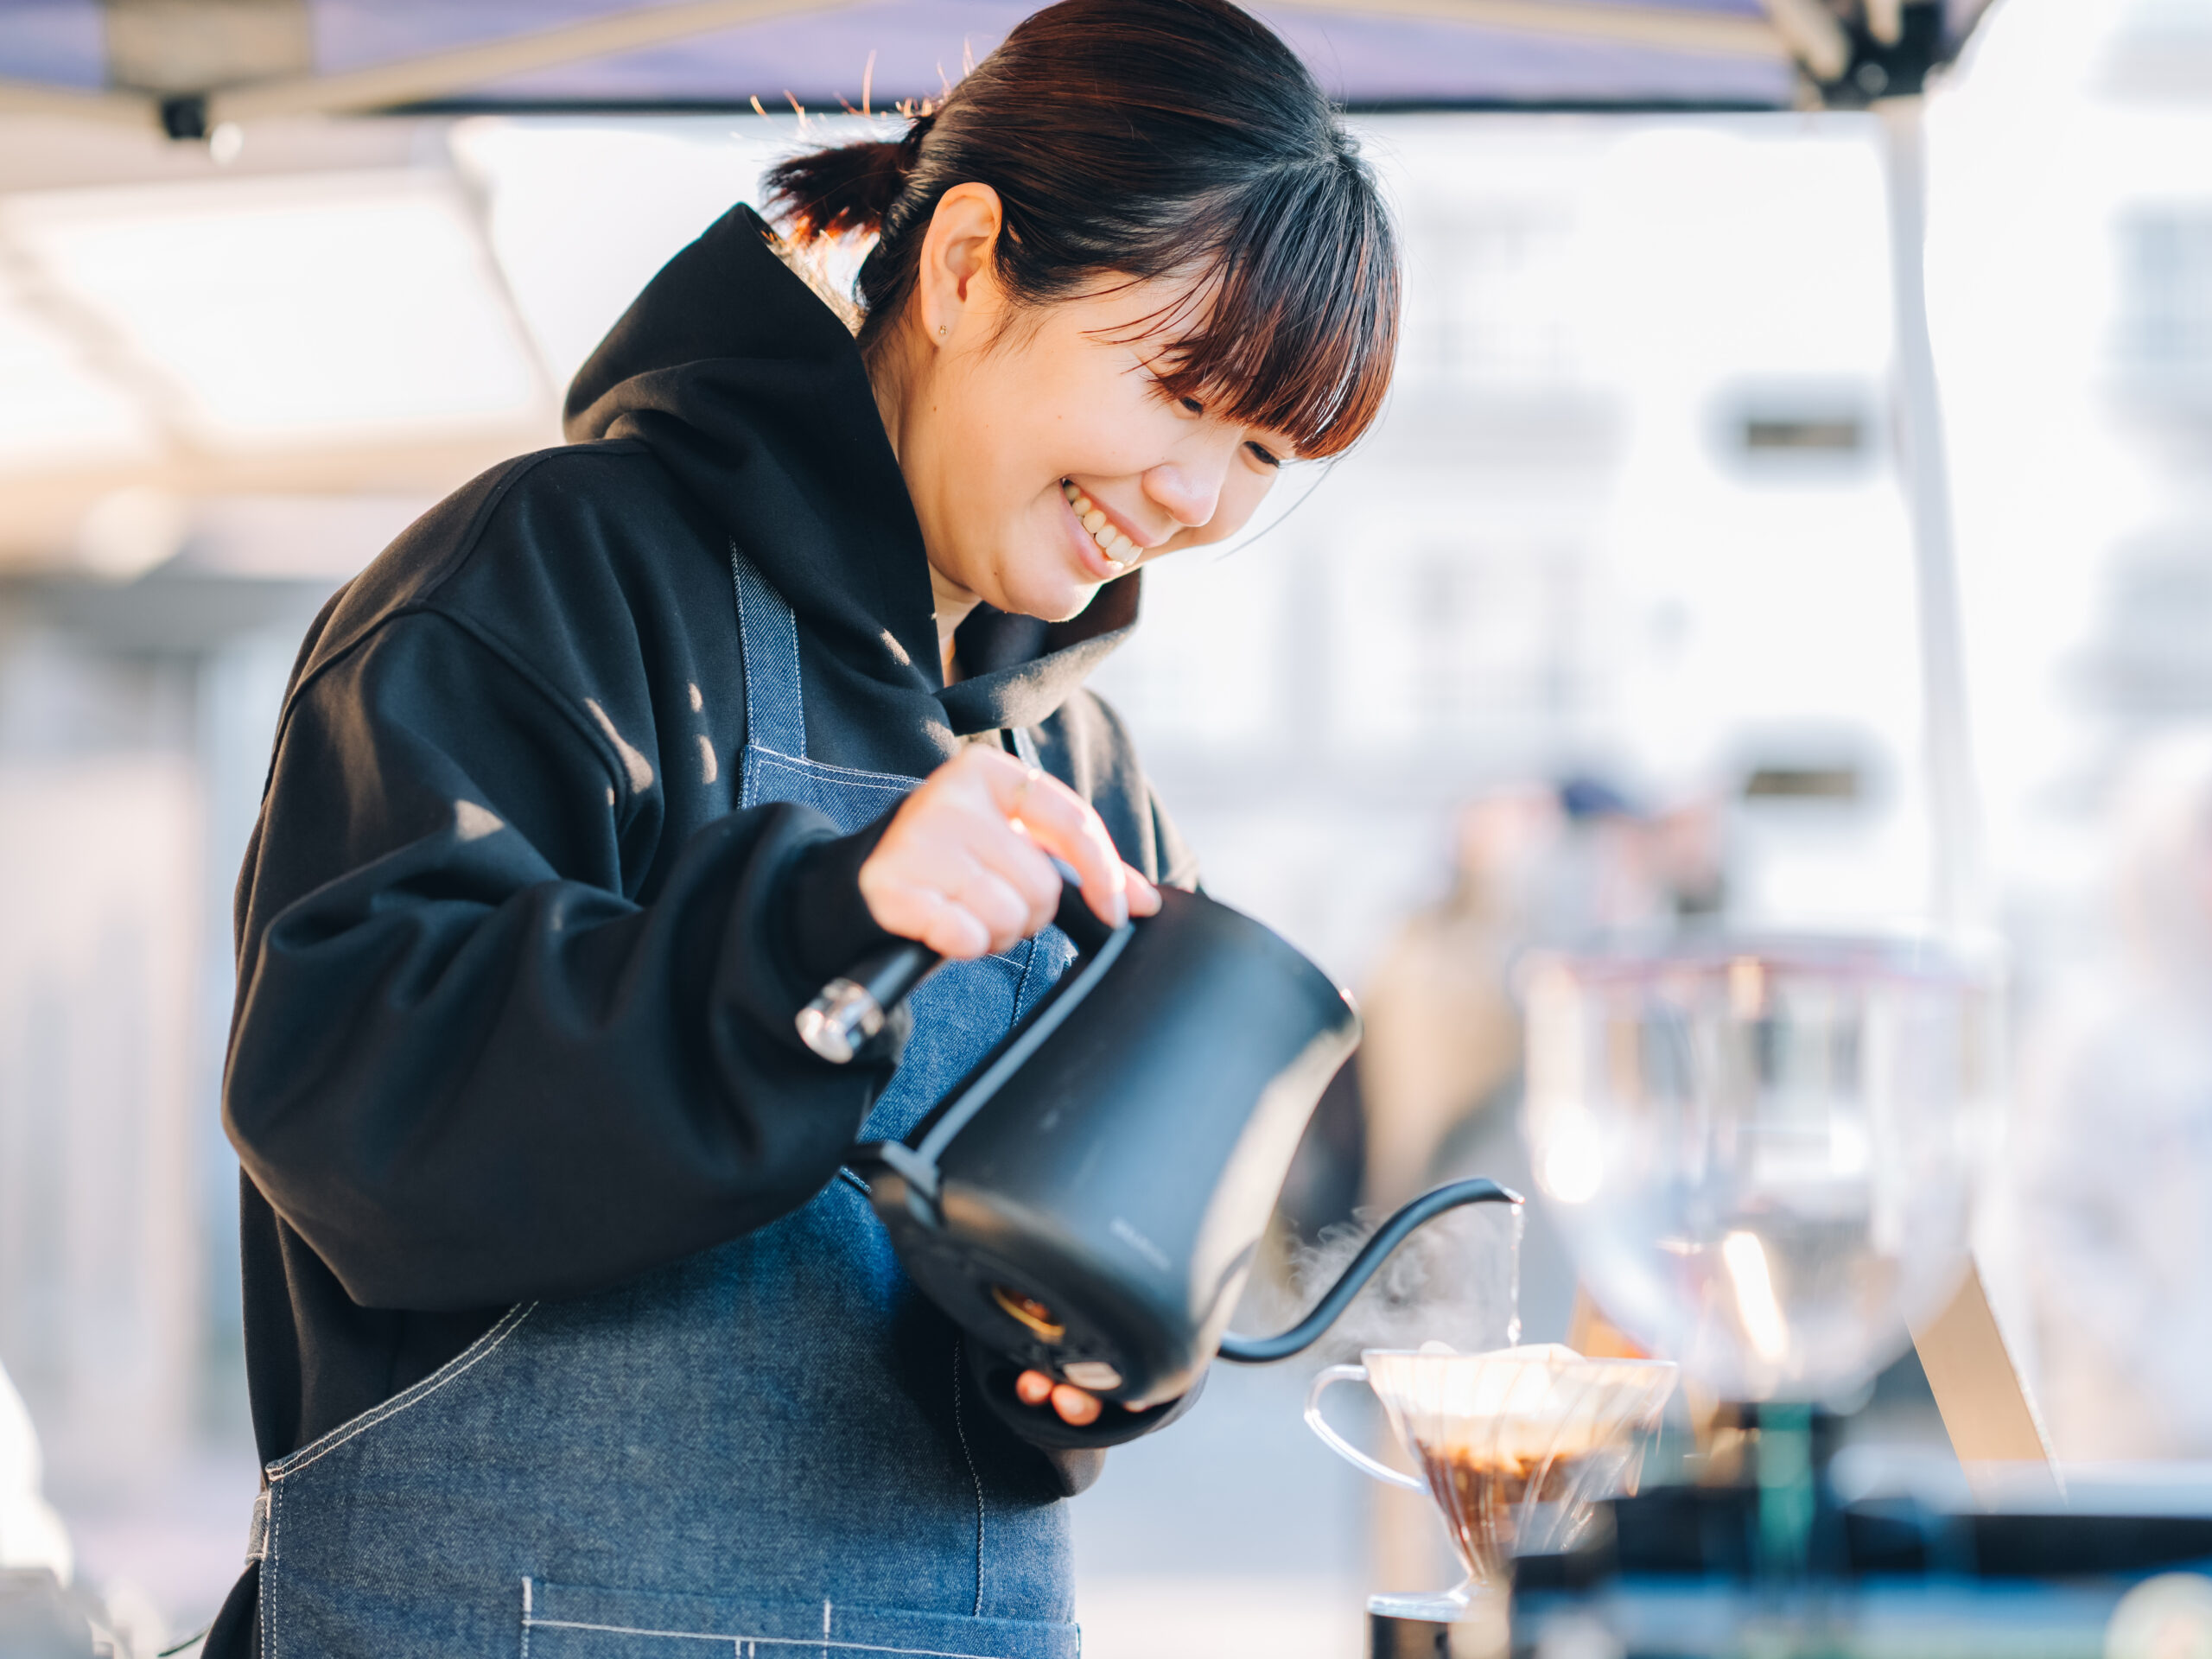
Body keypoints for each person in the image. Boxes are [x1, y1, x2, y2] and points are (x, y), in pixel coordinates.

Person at [205, 2, 1401, 1654]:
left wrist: (1086, 1368)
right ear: (968, 269)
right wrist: (814, 934)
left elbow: (1039, 1357)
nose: (1198, 499)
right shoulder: (552, 581)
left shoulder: (1089, 775)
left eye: (1262, 447)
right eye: (1179, 391)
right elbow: (354, 1104)